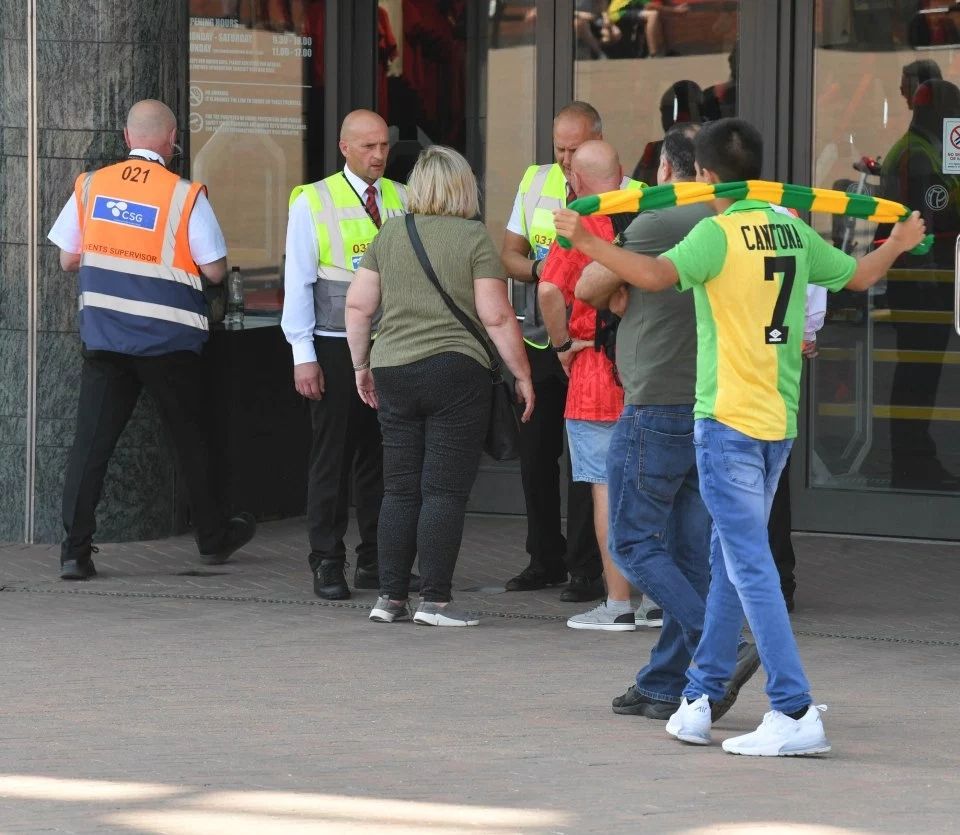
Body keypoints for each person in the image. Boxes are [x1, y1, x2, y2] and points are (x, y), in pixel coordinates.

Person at [555, 117, 927, 756]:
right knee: (731, 557)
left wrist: (584, 242)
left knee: (749, 566)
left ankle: (794, 708)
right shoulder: (792, 227)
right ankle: (698, 697)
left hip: (726, 421)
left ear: (702, 176)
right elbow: (859, 278)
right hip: (776, 423)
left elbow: (649, 278)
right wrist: (898, 240)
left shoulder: (717, 234)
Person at [573, 123, 759, 718]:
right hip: (713, 401)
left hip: (655, 401)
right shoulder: (737, 222)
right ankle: (663, 682)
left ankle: (720, 644)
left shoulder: (656, 223)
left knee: (630, 538)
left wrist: (618, 263)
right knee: (687, 553)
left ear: (667, 173)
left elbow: (587, 285)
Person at [47, 99, 256, 580]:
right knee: (191, 440)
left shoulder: (92, 185)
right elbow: (215, 269)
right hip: (168, 343)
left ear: (126, 138)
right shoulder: (184, 196)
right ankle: (212, 537)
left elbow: (68, 259)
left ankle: (74, 553)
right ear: (172, 139)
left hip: (105, 338)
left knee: (91, 446)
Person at [345, 146, 534, 627]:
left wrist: (361, 364)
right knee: (443, 492)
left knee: (400, 490)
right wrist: (523, 374)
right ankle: (435, 601)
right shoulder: (474, 238)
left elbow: (358, 307)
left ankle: (390, 599)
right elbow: (494, 315)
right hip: (456, 372)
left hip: (393, 369)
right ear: (462, 188)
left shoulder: (389, 233)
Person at [500, 101, 643, 603]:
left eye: (574, 149)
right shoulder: (535, 180)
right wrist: (548, 271)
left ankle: (587, 570)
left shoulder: (630, 195)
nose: (564, 160)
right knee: (537, 456)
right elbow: (508, 254)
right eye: (558, 148)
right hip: (544, 341)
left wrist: (564, 283)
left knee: (592, 466)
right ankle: (545, 558)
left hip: (593, 347)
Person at [282, 109, 409, 601]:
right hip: (334, 344)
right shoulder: (312, 200)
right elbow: (298, 280)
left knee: (383, 457)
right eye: (368, 147)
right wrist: (301, 353)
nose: (379, 155)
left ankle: (377, 560)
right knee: (332, 456)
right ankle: (327, 560)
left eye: (383, 145)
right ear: (345, 148)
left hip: (390, 344)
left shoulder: (400, 196)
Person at [537, 140, 654, 632]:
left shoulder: (580, 228)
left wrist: (563, 343)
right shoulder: (650, 222)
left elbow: (546, 289)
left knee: (606, 493)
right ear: (623, 173)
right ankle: (658, 602)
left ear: (577, 182)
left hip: (595, 382)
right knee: (652, 490)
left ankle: (618, 604)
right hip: (650, 376)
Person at [876, 74, 960, 489]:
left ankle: (913, 461)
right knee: (917, 374)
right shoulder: (919, 155)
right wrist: (930, 281)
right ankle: (911, 464)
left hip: (925, 279)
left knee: (919, 372)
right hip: (922, 281)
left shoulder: (923, 149)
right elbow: (926, 219)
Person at [768, 285, 827, 613]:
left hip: (728, 374)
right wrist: (807, 331)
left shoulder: (720, 234)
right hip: (776, 374)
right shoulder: (797, 236)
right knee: (772, 484)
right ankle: (778, 583)